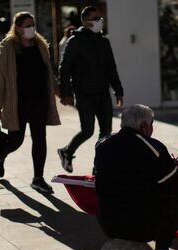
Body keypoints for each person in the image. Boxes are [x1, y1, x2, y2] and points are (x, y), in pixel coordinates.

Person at [94, 104, 178, 250]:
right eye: (152, 123)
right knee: (177, 196)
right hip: (141, 227)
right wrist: (176, 167)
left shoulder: (103, 145)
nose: (152, 128)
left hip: (108, 224)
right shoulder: (152, 147)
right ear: (144, 126)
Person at [0, 11, 61, 193]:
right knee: (16, 140)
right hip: (17, 102)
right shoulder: (8, 47)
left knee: (40, 139)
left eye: (33, 24)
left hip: (39, 101)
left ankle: (38, 178)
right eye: (27, 25)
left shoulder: (40, 45)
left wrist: (58, 90)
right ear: (18, 28)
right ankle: (0, 154)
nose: (31, 28)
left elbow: (48, 71)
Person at [58, 6, 124, 173]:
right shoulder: (75, 41)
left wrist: (118, 90)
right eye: (95, 19)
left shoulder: (104, 42)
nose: (100, 21)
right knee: (87, 130)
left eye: (100, 18)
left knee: (106, 132)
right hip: (84, 94)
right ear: (86, 22)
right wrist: (65, 93)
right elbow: (64, 68)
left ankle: (98, 167)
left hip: (103, 93)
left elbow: (111, 68)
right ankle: (67, 151)